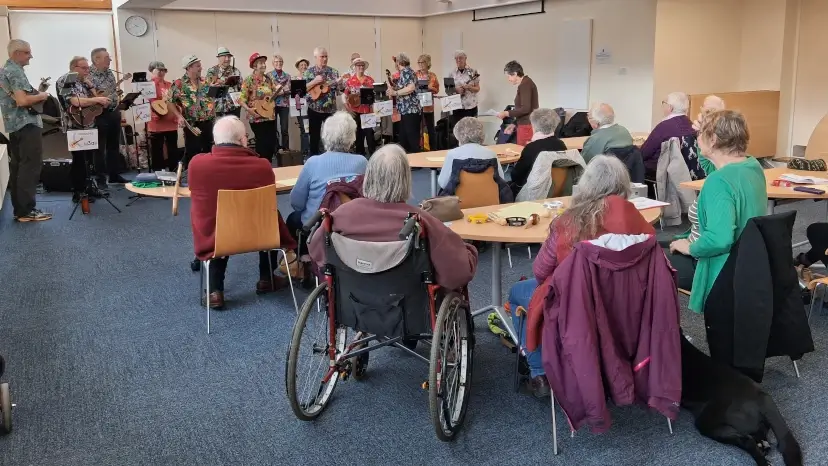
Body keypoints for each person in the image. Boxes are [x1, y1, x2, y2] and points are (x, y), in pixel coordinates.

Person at [508, 155, 656, 397]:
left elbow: (541, 271)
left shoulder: (568, 222)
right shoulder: (639, 222)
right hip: (630, 306)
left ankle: (539, 372)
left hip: (575, 307)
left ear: (586, 185)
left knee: (517, 292)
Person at [309, 144, 478, 291]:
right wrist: (470, 252)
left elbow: (317, 252)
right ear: (405, 180)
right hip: (407, 306)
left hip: (354, 301)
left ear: (369, 178)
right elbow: (458, 274)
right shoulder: (422, 221)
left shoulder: (341, 215)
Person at [188, 116, 298, 309]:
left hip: (218, 238)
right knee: (268, 215)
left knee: (215, 218)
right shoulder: (263, 166)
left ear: (215, 140)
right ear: (242, 140)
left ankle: (215, 291)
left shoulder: (197, 165)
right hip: (260, 235)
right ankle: (266, 279)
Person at [666, 110, 767, 313]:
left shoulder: (718, 182)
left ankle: (663, 336)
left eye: (700, 134)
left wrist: (688, 247)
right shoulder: (751, 166)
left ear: (712, 139)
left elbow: (718, 240)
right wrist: (703, 136)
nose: (696, 137)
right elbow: (711, 166)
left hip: (716, 264)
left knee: (646, 264)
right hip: (747, 260)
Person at [287, 111, 368, 235]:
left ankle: (303, 253)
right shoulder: (362, 162)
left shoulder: (312, 163)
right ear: (352, 137)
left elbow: (296, 203)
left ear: (325, 135)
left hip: (317, 226)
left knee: (293, 219)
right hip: (350, 226)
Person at [0, 39, 51, 222]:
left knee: (19, 168)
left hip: (14, 126)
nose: (31, 56)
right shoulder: (15, 71)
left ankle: (21, 210)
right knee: (30, 167)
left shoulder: (4, 71)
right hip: (26, 124)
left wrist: (36, 93)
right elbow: (22, 101)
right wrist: (43, 95)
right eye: (28, 53)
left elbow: (18, 98)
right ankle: (27, 211)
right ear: (17, 53)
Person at [57, 56, 111, 202]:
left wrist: (91, 87)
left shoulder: (84, 82)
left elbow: (95, 100)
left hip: (88, 123)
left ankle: (89, 187)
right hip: (74, 124)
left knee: (89, 158)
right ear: (74, 68)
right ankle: (79, 191)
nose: (88, 71)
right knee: (79, 159)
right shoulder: (65, 80)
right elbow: (74, 101)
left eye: (88, 68)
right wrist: (96, 100)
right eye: (84, 68)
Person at [168, 54, 215, 167]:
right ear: (189, 68)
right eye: (198, 66)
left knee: (208, 151)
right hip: (192, 124)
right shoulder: (179, 84)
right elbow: (169, 102)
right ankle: (192, 175)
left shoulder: (205, 81)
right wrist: (179, 116)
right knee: (193, 152)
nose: (201, 68)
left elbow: (212, 97)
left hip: (208, 122)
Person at [89, 47, 128, 184]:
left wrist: (115, 97)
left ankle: (114, 175)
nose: (110, 60)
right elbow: (89, 96)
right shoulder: (88, 75)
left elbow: (112, 92)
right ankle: (100, 179)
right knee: (99, 148)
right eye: (107, 58)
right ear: (96, 59)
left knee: (113, 145)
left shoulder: (109, 74)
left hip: (113, 111)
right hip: (98, 114)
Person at [508, 108, 567, 197]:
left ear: (534, 126)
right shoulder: (561, 145)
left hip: (531, 193)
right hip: (557, 191)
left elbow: (516, 176)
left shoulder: (531, 148)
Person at [438, 117, 503, 189]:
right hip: (489, 198)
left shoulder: (452, 154)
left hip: (459, 198)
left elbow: (443, 183)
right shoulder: (492, 154)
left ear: (457, 134)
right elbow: (501, 179)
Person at [640, 91, 695, 177]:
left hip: (660, 173)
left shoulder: (664, 127)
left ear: (670, 108)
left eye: (664, 103)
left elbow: (644, 153)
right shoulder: (691, 125)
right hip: (684, 173)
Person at [304, 47, 342, 157]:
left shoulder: (334, 72)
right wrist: (314, 81)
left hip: (330, 109)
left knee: (331, 135)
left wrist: (340, 84)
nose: (324, 59)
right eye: (322, 56)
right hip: (314, 108)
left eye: (326, 56)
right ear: (316, 57)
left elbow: (339, 91)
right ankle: (313, 158)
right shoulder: (309, 72)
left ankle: (332, 157)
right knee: (314, 136)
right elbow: (302, 90)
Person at [240, 52, 277, 163]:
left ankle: (269, 165)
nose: (264, 65)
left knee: (271, 143)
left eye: (264, 63)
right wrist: (248, 109)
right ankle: (262, 166)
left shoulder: (269, 79)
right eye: (260, 63)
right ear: (254, 66)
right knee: (262, 143)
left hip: (270, 116)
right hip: (257, 117)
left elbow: (273, 93)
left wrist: (278, 91)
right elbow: (241, 99)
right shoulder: (248, 80)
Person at [146, 61, 180, 171]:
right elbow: (148, 101)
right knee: (157, 151)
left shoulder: (170, 85)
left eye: (163, 70)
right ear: (151, 71)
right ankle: (157, 174)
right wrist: (155, 81)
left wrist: (177, 114)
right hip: (156, 123)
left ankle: (174, 172)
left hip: (170, 122)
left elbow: (176, 101)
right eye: (158, 70)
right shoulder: (148, 85)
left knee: (173, 150)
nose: (161, 72)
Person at [497, 60, 538, 146]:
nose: (508, 80)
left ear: (515, 74)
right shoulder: (526, 82)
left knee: (523, 153)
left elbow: (526, 108)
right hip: (525, 124)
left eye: (509, 76)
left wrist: (506, 113)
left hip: (526, 126)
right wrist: (514, 124)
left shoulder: (525, 85)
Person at [387, 52, 421, 154]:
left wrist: (395, 92)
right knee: (404, 136)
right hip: (406, 110)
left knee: (411, 137)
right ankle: (409, 161)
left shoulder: (406, 72)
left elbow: (411, 88)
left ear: (398, 62)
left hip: (410, 109)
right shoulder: (406, 72)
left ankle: (416, 161)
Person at [343, 57, 375, 156]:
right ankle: (360, 155)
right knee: (358, 135)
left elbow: (374, 95)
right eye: (358, 65)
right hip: (355, 111)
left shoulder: (370, 80)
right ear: (355, 67)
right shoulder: (350, 81)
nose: (361, 67)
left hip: (368, 111)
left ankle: (373, 156)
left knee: (370, 135)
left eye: (362, 65)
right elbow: (344, 95)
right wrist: (347, 108)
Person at [205, 47, 241, 118]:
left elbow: (241, 88)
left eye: (229, 57)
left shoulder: (235, 71)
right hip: (219, 108)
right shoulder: (213, 71)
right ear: (219, 58)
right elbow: (208, 90)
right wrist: (212, 86)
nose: (227, 59)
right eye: (224, 56)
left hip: (234, 107)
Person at [268, 55, 291, 157]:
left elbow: (290, 89)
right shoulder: (268, 75)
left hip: (284, 104)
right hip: (272, 105)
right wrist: (276, 92)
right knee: (273, 128)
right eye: (276, 62)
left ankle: (286, 150)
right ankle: (275, 150)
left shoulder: (288, 76)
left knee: (284, 128)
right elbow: (266, 90)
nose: (279, 63)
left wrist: (284, 91)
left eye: (280, 61)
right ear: (273, 63)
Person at [416, 54, 440, 151]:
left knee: (430, 129)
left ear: (428, 63)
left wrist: (430, 88)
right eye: (419, 62)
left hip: (429, 106)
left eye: (423, 62)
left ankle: (433, 149)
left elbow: (437, 89)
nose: (421, 64)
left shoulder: (432, 75)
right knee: (418, 129)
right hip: (417, 106)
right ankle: (419, 149)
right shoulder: (415, 74)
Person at [449, 50, 480, 121]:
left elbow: (478, 89)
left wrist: (469, 87)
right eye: (456, 58)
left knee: (472, 129)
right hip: (457, 107)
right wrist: (456, 90)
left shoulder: (473, 71)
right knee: (457, 130)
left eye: (460, 58)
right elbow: (448, 90)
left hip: (471, 106)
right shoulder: (451, 73)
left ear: (465, 58)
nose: (458, 60)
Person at [294, 57, 310, 157]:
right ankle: (304, 151)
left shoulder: (311, 78)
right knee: (304, 129)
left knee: (312, 128)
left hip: (312, 106)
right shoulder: (295, 79)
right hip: (301, 107)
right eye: (301, 65)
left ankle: (314, 149)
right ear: (298, 67)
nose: (303, 67)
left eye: (305, 65)